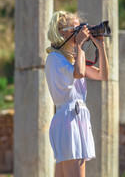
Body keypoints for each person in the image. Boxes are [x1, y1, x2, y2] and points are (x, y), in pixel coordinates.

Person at [45, 11, 109, 177]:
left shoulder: (71, 60)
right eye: (75, 28)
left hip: (76, 118)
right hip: (68, 119)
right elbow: (79, 73)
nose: (79, 32)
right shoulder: (54, 58)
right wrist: (80, 46)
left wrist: (100, 46)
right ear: (61, 32)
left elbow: (102, 75)